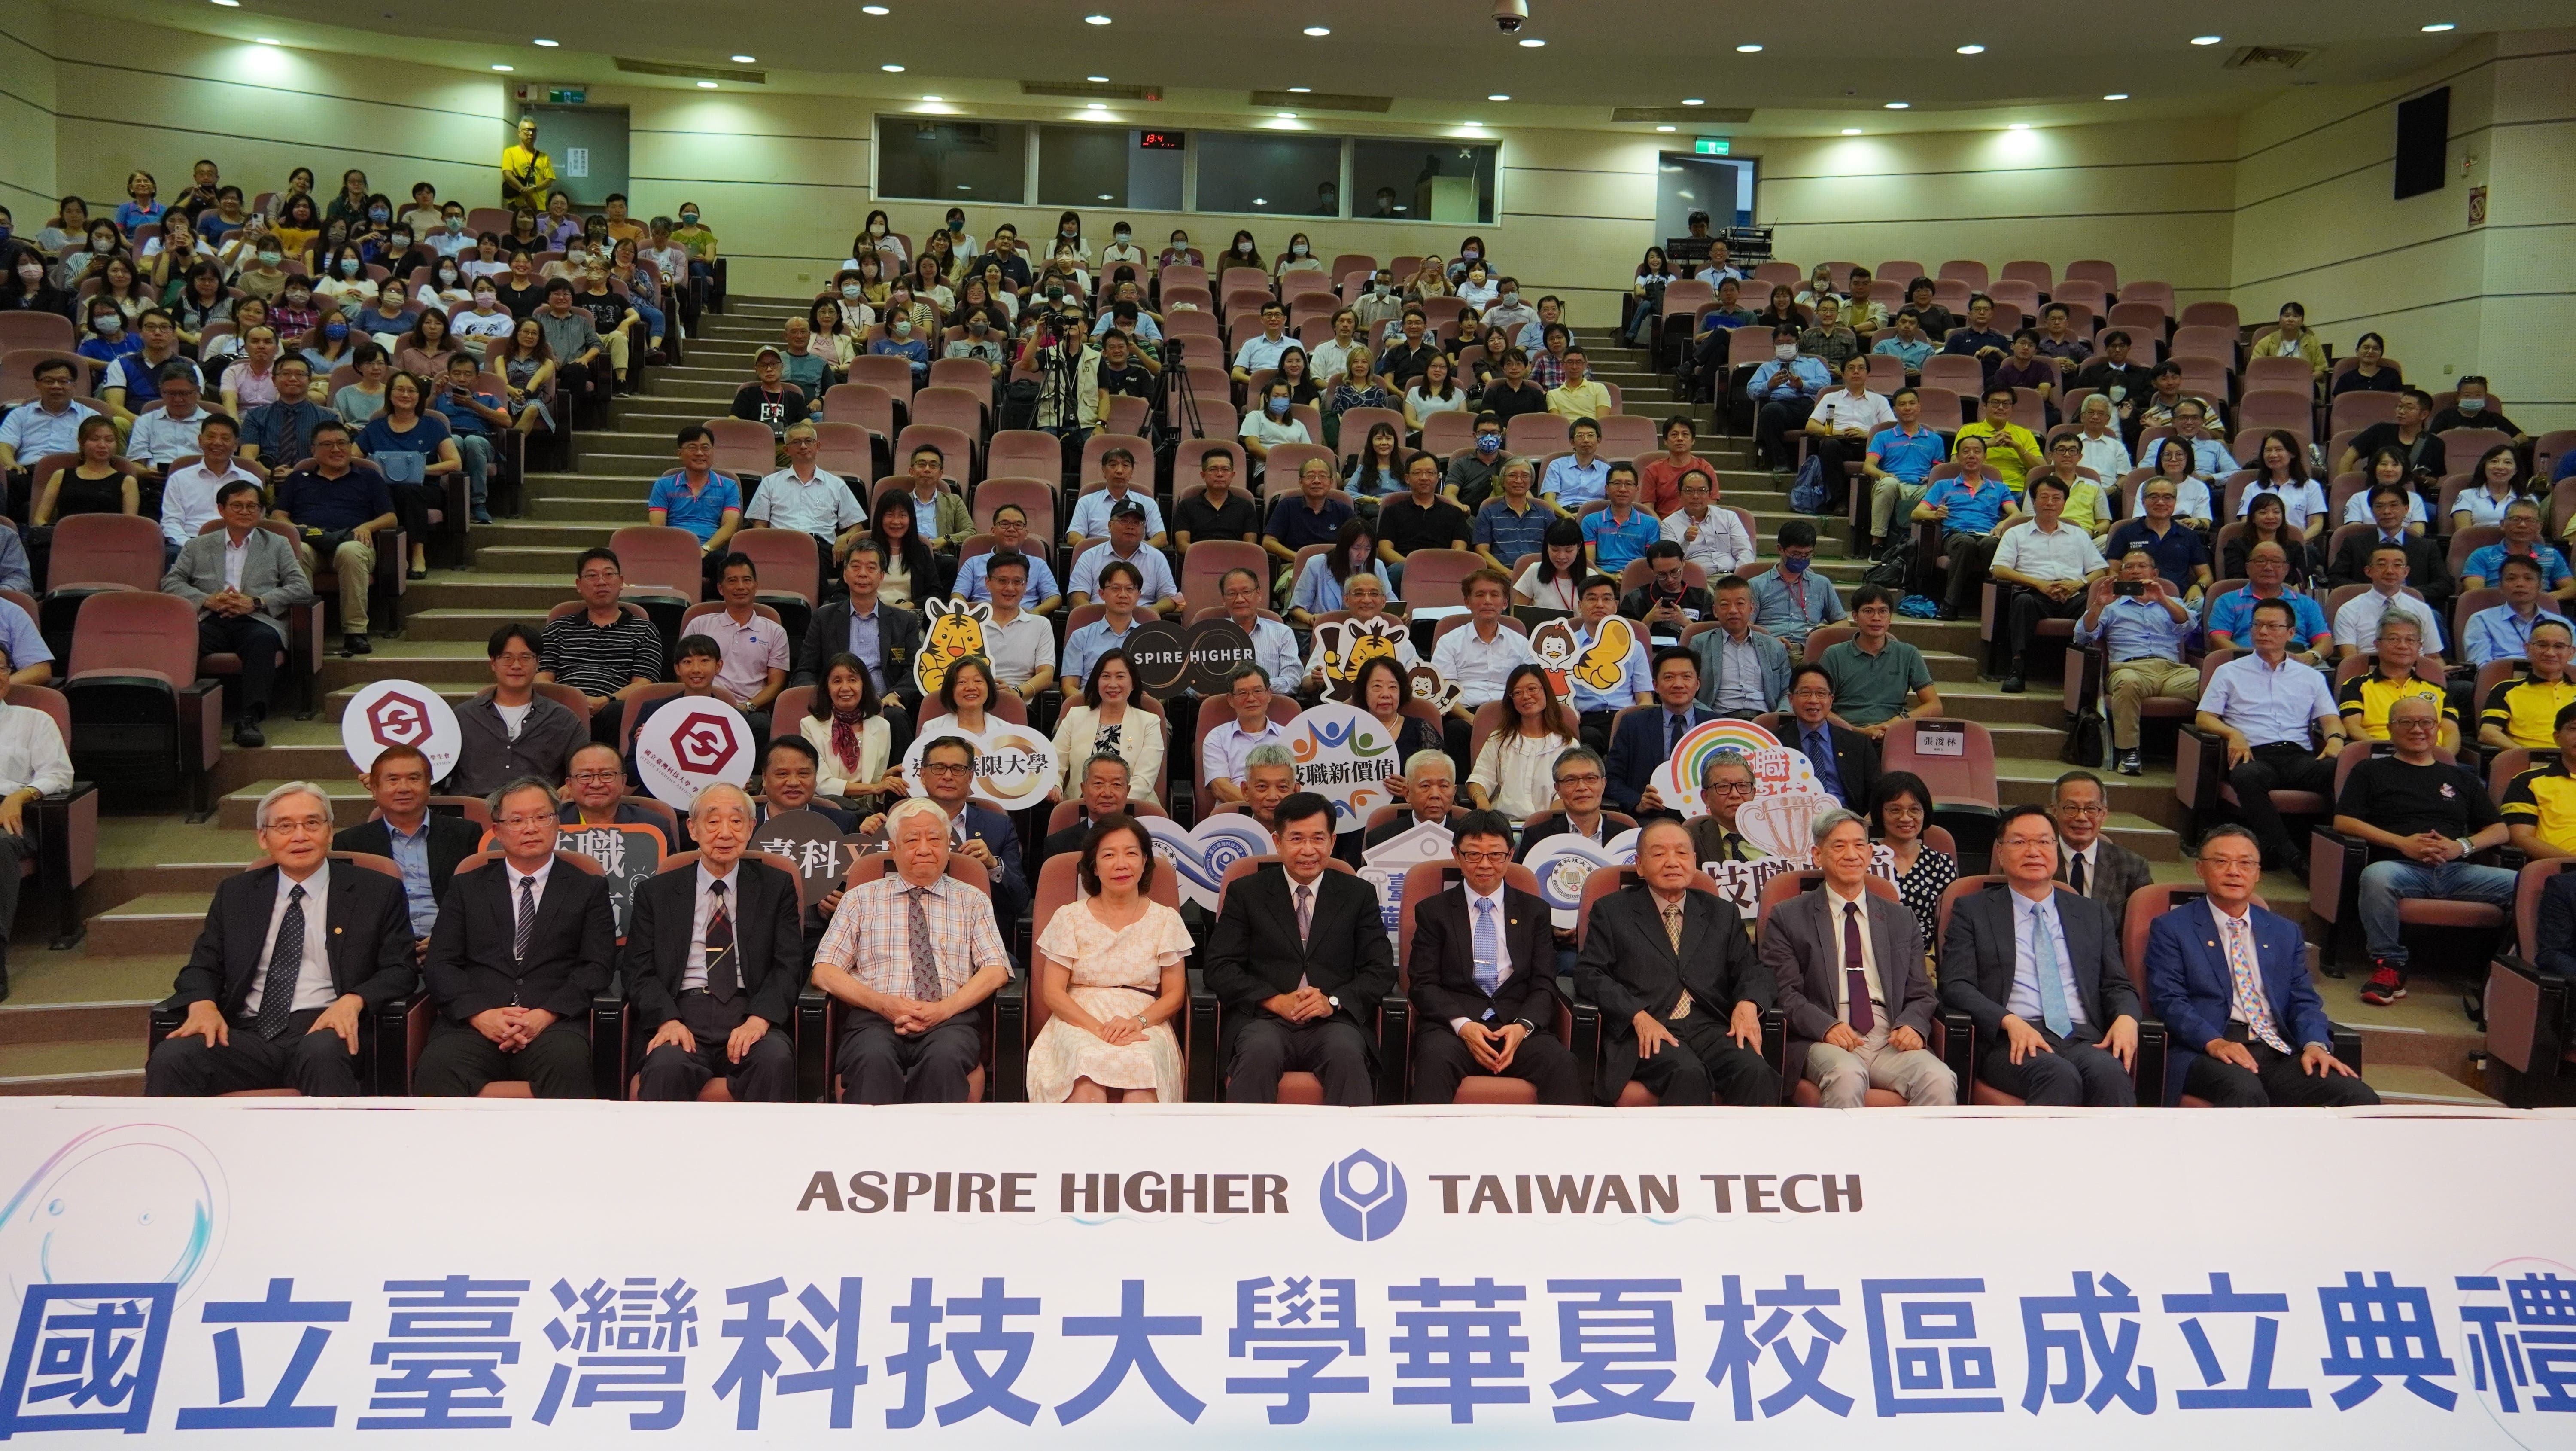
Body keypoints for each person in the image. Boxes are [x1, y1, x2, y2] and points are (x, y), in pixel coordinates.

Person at [143, 782, 416, 1096]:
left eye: (312, 823)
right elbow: (202, 967)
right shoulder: (237, 893)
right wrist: (202, 1003)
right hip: (247, 1033)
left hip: (326, 1026)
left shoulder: (376, 891)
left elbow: (400, 970)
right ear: (263, 838)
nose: (300, 836)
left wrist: (354, 1001)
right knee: (173, 1057)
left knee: (322, 1052)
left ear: (330, 831)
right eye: (285, 826)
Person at [409, 775, 615, 1098]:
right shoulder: (467, 887)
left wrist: (545, 1015)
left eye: (541, 817)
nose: (531, 828)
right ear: (497, 831)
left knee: (569, 1063)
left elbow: (597, 966)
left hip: (553, 1023)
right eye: (517, 820)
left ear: (557, 823)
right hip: (474, 1023)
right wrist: (480, 1015)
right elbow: (441, 963)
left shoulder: (587, 888)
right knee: (439, 1067)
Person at [2144, 824, 2377, 1107]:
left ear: (2257, 873)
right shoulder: (2172, 928)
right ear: (2200, 869)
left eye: (2245, 863)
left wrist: (2314, 1044)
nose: (2234, 871)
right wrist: (2213, 1042)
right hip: (2207, 1048)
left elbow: (2302, 1000)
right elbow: (2169, 1001)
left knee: (2357, 1096)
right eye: (2221, 861)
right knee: (2244, 1091)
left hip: (2275, 1048)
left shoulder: (2284, 931)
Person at [1203, 791, 1395, 1105]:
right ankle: (1245, 1151)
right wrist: (1273, 1000)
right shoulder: (1246, 893)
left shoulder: (1357, 894)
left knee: (1346, 1053)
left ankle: (1349, 1152)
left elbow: (1380, 969)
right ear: (1278, 842)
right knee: (1259, 1053)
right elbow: (1219, 967)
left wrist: (1332, 1001)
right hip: (1264, 1020)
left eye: (1318, 839)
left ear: (1332, 842)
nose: (1308, 850)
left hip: (1332, 1021)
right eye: (1297, 839)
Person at [1939, 805, 2141, 1105]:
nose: (2033, 851)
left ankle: (2113, 1154)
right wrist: (2007, 1021)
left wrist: (2126, 1018)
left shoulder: (2090, 913)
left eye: (2044, 842)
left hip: (2082, 1036)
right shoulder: (1974, 910)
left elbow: (2116, 984)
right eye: (2019, 842)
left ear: (2056, 851)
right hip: (2011, 1039)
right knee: (2057, 1075)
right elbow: (1956, 984)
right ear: (2000, 852)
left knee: (2109, 1074)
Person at [1577, 817, 1779, 1107]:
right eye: (1659, 854)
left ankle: (1745, 1152)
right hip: (1648, 1023)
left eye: (1682, 853)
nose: (1672, 862)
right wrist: (1636, 1015)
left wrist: (1748, 1003)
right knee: (1687, 1073)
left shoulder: (1720, 912)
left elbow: (1752, 970)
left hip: (1709, 1025)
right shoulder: (1612, 911)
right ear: (1640, 864)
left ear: (1694, 861)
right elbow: (1589, 974)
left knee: (1756, 1072)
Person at [1764, 809, 1958, 1107]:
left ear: (1870, 854)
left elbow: (1921, 991)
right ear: (1817, 855)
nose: (1851, 855)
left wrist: (1912, 1025)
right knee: (1847, 1075)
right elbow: (1785, 994)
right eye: (1838, 846)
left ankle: (1922, 1155)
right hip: (1824, 1032)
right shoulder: (1788, 916)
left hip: (1888, 1033)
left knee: (1939, 1078)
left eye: (1858, 845)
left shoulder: (1900, 918)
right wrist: (1826, 1027)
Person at [622, 783, 803, 1101]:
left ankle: (767, 1150)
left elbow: (787, 964)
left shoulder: (776, 887)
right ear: (693, 829)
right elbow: (638, 969)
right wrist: (667, 1020)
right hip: (681, 1010)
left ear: (751, 828)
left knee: (774, 1058)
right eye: (712, 821)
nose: (725, 833)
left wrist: (759, 1020)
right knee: (666, 1064)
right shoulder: (657, 892)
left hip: (749, 1009)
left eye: (736, 822)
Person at [2336, 694, 2517, 1008]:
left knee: (2527, 885)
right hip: (2398, 867)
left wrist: (2459, 847)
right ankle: (2389, 966)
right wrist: (2400, 842)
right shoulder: (2369, 770)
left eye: (2426, 722)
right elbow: (2343, 821)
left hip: (2458, 870)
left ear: (2437, 729)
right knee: (2376, 877)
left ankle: (2505, 972)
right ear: (2390, 729)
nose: (2417, 729)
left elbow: (2500, 830)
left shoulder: (2462, 776)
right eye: (2407, 722)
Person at [1405, 809, 1584, 1104]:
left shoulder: (1534, 911)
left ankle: (1564, 1150)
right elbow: (1423, 984)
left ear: (1510, 855)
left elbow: (1543, 983)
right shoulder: (1433, 911)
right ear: (1457, 855)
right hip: (1454, 1028)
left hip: (1515, 1025)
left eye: (1495, 855)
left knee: (1561, 1063)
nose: (1485, 865)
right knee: (1434, 1061)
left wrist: (1522, 1026)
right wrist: (1464, 1026)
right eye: (1473, 855)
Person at [1023, 814, 1192, 1105]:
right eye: (1109, 855)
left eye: (1131, 853)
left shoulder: (1166, 920)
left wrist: (1137, 1022)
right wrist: (1097, 1028)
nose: (1121, 864)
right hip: (1077, 1019)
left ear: (1144, 863)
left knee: (1142, 1070)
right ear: (1094, 866)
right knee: (1086, 1068)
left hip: (1143, 1021)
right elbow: (1052, 992)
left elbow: (1175, 994)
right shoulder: (1069, 917)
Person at [2195, 597, 2348, 873]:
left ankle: (2333, 856)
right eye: (2258, 625)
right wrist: (2233, 734)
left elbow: (2330, 719)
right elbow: (2204, 717)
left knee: (2339, 769)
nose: (2263, 632)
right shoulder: (2228, 671)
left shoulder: (2310, 676)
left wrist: (2336, 738)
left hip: (2298, 755)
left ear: (2291, 633)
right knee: (2246, 775)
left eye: (2273, 626)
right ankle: (2292, 856)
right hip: (2254, 753)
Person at [157, 473, 309, 747]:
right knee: (182, 642)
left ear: (262, 511)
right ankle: (173, 716)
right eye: (237, 506)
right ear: (221, 509)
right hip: (211, 618)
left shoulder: (277, 544)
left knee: (262, 641)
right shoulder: (197, 545)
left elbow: (301, 587)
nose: (245, 512)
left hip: (256, 619)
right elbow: (171, 582)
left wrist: (257, 602)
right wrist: (206, 600)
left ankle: (250, 719)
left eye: (252, 507)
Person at [856, 734, 1029, 925]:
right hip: (898, 923)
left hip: (971, 927)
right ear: (922, 775)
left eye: (958, 769)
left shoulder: (999, 827)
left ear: (970, 777)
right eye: (938, 768)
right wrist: (867, 841)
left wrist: (992, 866)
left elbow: (1020, 901)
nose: (947, 776)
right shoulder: (898, 823)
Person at [333, 741, 482, 948]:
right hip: (381, 949)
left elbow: (478, 903)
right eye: (393, 780)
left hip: (453, 945)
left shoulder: (466, 834)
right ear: (374, 789)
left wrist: (446, 940)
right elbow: (349, 913)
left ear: (429, 784)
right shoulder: (349, 843)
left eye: (414, 778)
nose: (404, 788)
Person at [267, 420, 394, 655]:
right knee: (298, 550)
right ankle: (300, 630)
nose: (336, 450)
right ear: (313, 450)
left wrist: (367, 526)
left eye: (342, 443)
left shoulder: (368, 477)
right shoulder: (298, 479)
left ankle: (355, 633)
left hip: (352, 541)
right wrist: (295, 530)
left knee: (350, 552)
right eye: (327, 444)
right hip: (310, 543)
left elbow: (390, 517)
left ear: (350, 446)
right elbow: (278, 516)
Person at [2075, 546, 2199, 774]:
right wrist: (2099, 605)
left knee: (2214, 683)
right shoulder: (2110, 607)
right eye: (2128, 567)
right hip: (2129, 668)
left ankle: (2212, 751)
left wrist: (2162, 600)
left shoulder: (2171, 601)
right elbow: (2083, 635)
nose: (2135, 571)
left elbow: (2189, 625)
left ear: (2155, 573)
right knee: (2128, 682)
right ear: (2120, 574)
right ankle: (2129, 752)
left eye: (2142, 566)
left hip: (2173, 671)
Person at [1990, 474, 2108, 692]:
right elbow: (1999, 570)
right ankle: (2017, 669)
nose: (2050, 503)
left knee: (2099, 607)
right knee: (2022, 603)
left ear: (2064, 503)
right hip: (2034, 594)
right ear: (2033, 502)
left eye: (2057, 498)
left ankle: (2092, 674)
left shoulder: (2079, 535)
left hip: (2074, 595)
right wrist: (2038, 584)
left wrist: (2078, 584)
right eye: (2044, 497)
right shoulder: (2016, 533)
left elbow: (2099, 570)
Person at [537, 548, 663, 744]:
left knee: (619, 712)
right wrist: (573, 702)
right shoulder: (558, 628)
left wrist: (605, 701)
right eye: (592, 576)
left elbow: (644, 684)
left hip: (613, 711)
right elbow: (542, 679)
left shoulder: (644, 629)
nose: (601, 582)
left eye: (609, 574)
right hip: (563, 710)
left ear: (621, 582)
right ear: (579, 585)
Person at [451, 623, 585, 797]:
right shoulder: (463, 716)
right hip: (474, 814)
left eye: (525, 658)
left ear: (538, 663)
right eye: (507, 658)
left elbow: (586, 770)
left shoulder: (563, 719)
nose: (516, 665)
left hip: (538, 814)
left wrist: (572, 786)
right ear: (493, 663)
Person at [1431, 568, 1540, 757]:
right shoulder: (1449, 641)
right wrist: (1473, 720)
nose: (1488, 601)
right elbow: (1442, 692)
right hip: (1465, 714)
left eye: (1495, 595)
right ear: (1467, 602)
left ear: (1505, 603)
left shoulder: (1521, 642)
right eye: (1480, 595)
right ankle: (1463, 786)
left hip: (1511, 711)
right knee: (1455, 731)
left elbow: (1532, 686)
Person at [1911, 435, 2017, 621]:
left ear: (1985, 456)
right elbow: (1917, 513)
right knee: (1966, 543)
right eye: (1966, 451)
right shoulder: (1943, 486)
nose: (1971, 456)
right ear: (1959, 457)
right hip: (1956, 535)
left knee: (1992, 545)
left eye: (1977, 451)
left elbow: (2017, 514)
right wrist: (1935, 515)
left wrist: (2002, 524)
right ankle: (1950, 604)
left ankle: (1996, 608)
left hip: (1987, 534)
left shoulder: (1999, 488)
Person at [1609, 646, 1720, 815]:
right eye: (1669, 677)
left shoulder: (1716, 726)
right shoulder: (1633, 724)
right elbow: (1610, 779)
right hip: (1648, 818)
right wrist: (1638, 802)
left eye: (1686, 677)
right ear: (1656, 686)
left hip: (1705, 820)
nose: (1678, 684)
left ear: (1697, 684)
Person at [1818, 585, 1940, 738]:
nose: (1877, 618)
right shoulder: (1834, 654)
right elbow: (1819, 705)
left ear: (1890, 617)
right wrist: (1857, 731)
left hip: (1894, 733)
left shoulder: (1908, 654)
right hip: (1845, 733)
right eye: (1868, 611)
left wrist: (1899, 721)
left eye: (1883, 611)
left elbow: (1934, 706)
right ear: (1855, 616)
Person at [1467, 664, 1577, 823]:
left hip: (1549, 826)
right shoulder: (1499, 739)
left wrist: (1544, 826)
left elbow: (1567, 793)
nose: (1526, 696)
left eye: (1532, 689)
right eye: (1517, 693)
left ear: (1546, 691)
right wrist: (1483, 802)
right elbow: (1480, 779)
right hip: (1503, 826)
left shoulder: (1567, 745)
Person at [2338, 613, 2459, 753]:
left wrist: (2445, 761)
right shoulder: (2356, 685)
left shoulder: (2438, 690)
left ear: (2420, 646)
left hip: (2431, 761)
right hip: (2381, 758)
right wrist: (2389, 752)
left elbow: (2451, 732)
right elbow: (2351, 726)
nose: (2403, 646)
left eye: (2411, 640)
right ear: (2377, 644)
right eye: (2394, 639)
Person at [157, 411, 264, 558]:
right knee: (171, 554)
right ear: (200, 440)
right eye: (211, 437)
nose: (217, 443)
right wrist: (191, 546)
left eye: (225, 438)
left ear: (236, 445)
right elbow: (171, 522)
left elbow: (255, 522)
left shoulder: (251, 481)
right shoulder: (179, 478)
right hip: (190, 542)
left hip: (237, 543)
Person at [1565, 576, 1653, 750]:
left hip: (1625, 718)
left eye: (1607, 599)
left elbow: (1645, 698)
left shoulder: (1634, 647)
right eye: (1592, 598)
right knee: (1588, 739)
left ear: (1615, 606)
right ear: (1580, 605)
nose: (1600, 605)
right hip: (1586, 719)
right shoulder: (1567, 647)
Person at [1687, 574, 1789, 720]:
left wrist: (1778, 718)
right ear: (1715, 611)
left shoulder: (1775, 647)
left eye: (1740, 604)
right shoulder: (1699, 644)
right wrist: (1707, 716)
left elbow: (1787, 690)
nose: (1733, 610)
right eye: (1725, 605)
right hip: (1717, 720)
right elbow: (1688, 688)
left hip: (1764, 721)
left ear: (1752, 608)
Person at [1779, 663, 1880, 811]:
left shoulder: (1858, 744)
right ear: (1791, 699)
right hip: (1794, 820)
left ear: (1831, 700)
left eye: (1821, 694)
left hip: (1845, 819)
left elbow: (1877, 792)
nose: (1814, 700)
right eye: (1805, 693)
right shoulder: (1775, 743)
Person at [2204, 543, 2330, 660]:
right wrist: (2253, 661)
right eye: (2261, 561)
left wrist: (2311, 657)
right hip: (2247, 664)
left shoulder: (2307, 604)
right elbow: (2218, 640)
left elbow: (2325, 641)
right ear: (2247, 568)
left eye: (2276, 562)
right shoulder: (2227, 601)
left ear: (2286, 569)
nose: (2268, 568)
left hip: (2298, 662)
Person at [1860, 387, 1947, 554]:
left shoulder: (1935, 439)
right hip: (1895, 484)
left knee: (1938, 493)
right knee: (1888, 484)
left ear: (1919, 407)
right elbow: (1868, 466)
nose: (1908, 408)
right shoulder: (1883, 436)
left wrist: (1931, 477)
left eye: (1912, 403)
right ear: (1895, 410)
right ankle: (1877, 543)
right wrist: (1883, 474)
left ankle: (1925, 549)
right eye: (1902, 404)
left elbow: (1939, 469)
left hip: (1921, 487)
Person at [2330, 542, 2448, 665]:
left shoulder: (2422, 609)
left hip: (2417, 675)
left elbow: (2434, 658)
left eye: (2397, 565)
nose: (2390, 571)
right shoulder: (2349, 610)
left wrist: (2441, 672)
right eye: (2382, 565)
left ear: (2406, 572)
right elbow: (2350, 660)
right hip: (2370, 674)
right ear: (2368, 571)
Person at [1873, 771, 1956, 947]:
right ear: (1880, 812)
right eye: (1895, 810)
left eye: (1914, 809)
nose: (1905, 818)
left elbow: (1949, 925)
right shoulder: (1864, 857)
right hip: (1872, 955)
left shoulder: (1941, 864)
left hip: (1926, 958)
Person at [2048, 769, 2150, 911]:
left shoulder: (2132, 866)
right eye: (2071, 808)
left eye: (2091, 809)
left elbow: (2143, 922)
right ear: (2054, 811)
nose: (2082, 817)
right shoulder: (2037, 859)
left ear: (2104, 813)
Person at [1747, 520, 1846, 649]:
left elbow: (1843, 622)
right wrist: (1768, 640)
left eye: (1808, 554)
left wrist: (1824, 631)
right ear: (1780, 549)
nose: (1802, 559)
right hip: (1770, 647)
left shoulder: (1821, 584)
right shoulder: (1756, 585)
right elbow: (1744, 627)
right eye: (1796, 554)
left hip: (1810, 649)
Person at [1201, 663, 1289, 805]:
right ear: (1231, 700)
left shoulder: (1289, 736)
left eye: (1258, 691)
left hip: (1283, 816)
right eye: (1243, 693)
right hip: (1236, 815)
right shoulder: (1217, 738)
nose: (1251, 699)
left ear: (1269, 695)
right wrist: (1266, 805)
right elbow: (1220, 788)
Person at [1747, 324, 1829, 472]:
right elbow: (1751, 391)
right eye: (1780, 344)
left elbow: (1826, 384)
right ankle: (1781, 463)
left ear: (1797, 343)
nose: (1785, 346)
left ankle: (1824, 464)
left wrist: (1803, 385)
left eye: (1790, 343)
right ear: (1774, 346)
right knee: (1769, 411)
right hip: (1782, 407)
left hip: (1810, 405)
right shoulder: (1766, 368)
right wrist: (1769, 385)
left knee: (1831, 413)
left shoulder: (1814, 363)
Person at [2484, 619, 2576, 750]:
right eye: (2542, 645)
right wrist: (2523, 755)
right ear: (2527, 649)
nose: (2550, 653)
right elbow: (2488, 733)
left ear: (2571, 653)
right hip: (2530, 763)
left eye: (2559, 647)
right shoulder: (2506, 690)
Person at [2463, 556, 2570, 667]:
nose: (2520, 584)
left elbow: (2572, 665)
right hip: (2502, 680)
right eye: (2511, 579)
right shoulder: (2482, 620)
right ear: (2500, 586)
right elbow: (2481, 666)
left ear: (2540, 586)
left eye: (2528, 579)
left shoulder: (2562, 624)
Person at [2462, 500, 2576, 602]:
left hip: (2541, 612)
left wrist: (2538, 600)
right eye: (2516, 519)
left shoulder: (2551, 554)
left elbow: (2572, 588)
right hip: (2495, 610)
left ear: (2540, 527)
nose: (2523, 525)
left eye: (2530, 520)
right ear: (2503, 524)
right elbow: (2475, 594)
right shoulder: (2482, 555)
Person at [2502, 704, 2576, 861]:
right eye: (2574, 728)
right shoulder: (2528, 781)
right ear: (2557, 738)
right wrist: (2571, 863)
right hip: (2561, 872)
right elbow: (2520, 838)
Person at [2336, 387, 2446, 480]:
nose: (2402, 411)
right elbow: (2347, 458)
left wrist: (2422, 480)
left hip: (2413, 496)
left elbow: (2434, 478)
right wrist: (2345, 488)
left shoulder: (2435, 444)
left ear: (2424, 415)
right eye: (2400, 406)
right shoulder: (2380, 431)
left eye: (2409, 408)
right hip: (2375, 492)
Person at [1685, 750, 1768, 866]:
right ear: (1706, 797)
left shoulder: (1777, 832)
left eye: (1743, 786)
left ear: (1753, 793)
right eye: (1723, 787)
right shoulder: (1690, 838)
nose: (1735, 794)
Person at [501, 117, 555, 213]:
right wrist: (527, 195)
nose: (531, 134)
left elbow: (549, 181)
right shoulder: (510, 153)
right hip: (517, 205)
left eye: (534, 131)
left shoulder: (544, 157)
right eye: (527, 131)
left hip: (538, 206)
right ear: (519, 133)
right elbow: (508, 176)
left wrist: (533, 190)